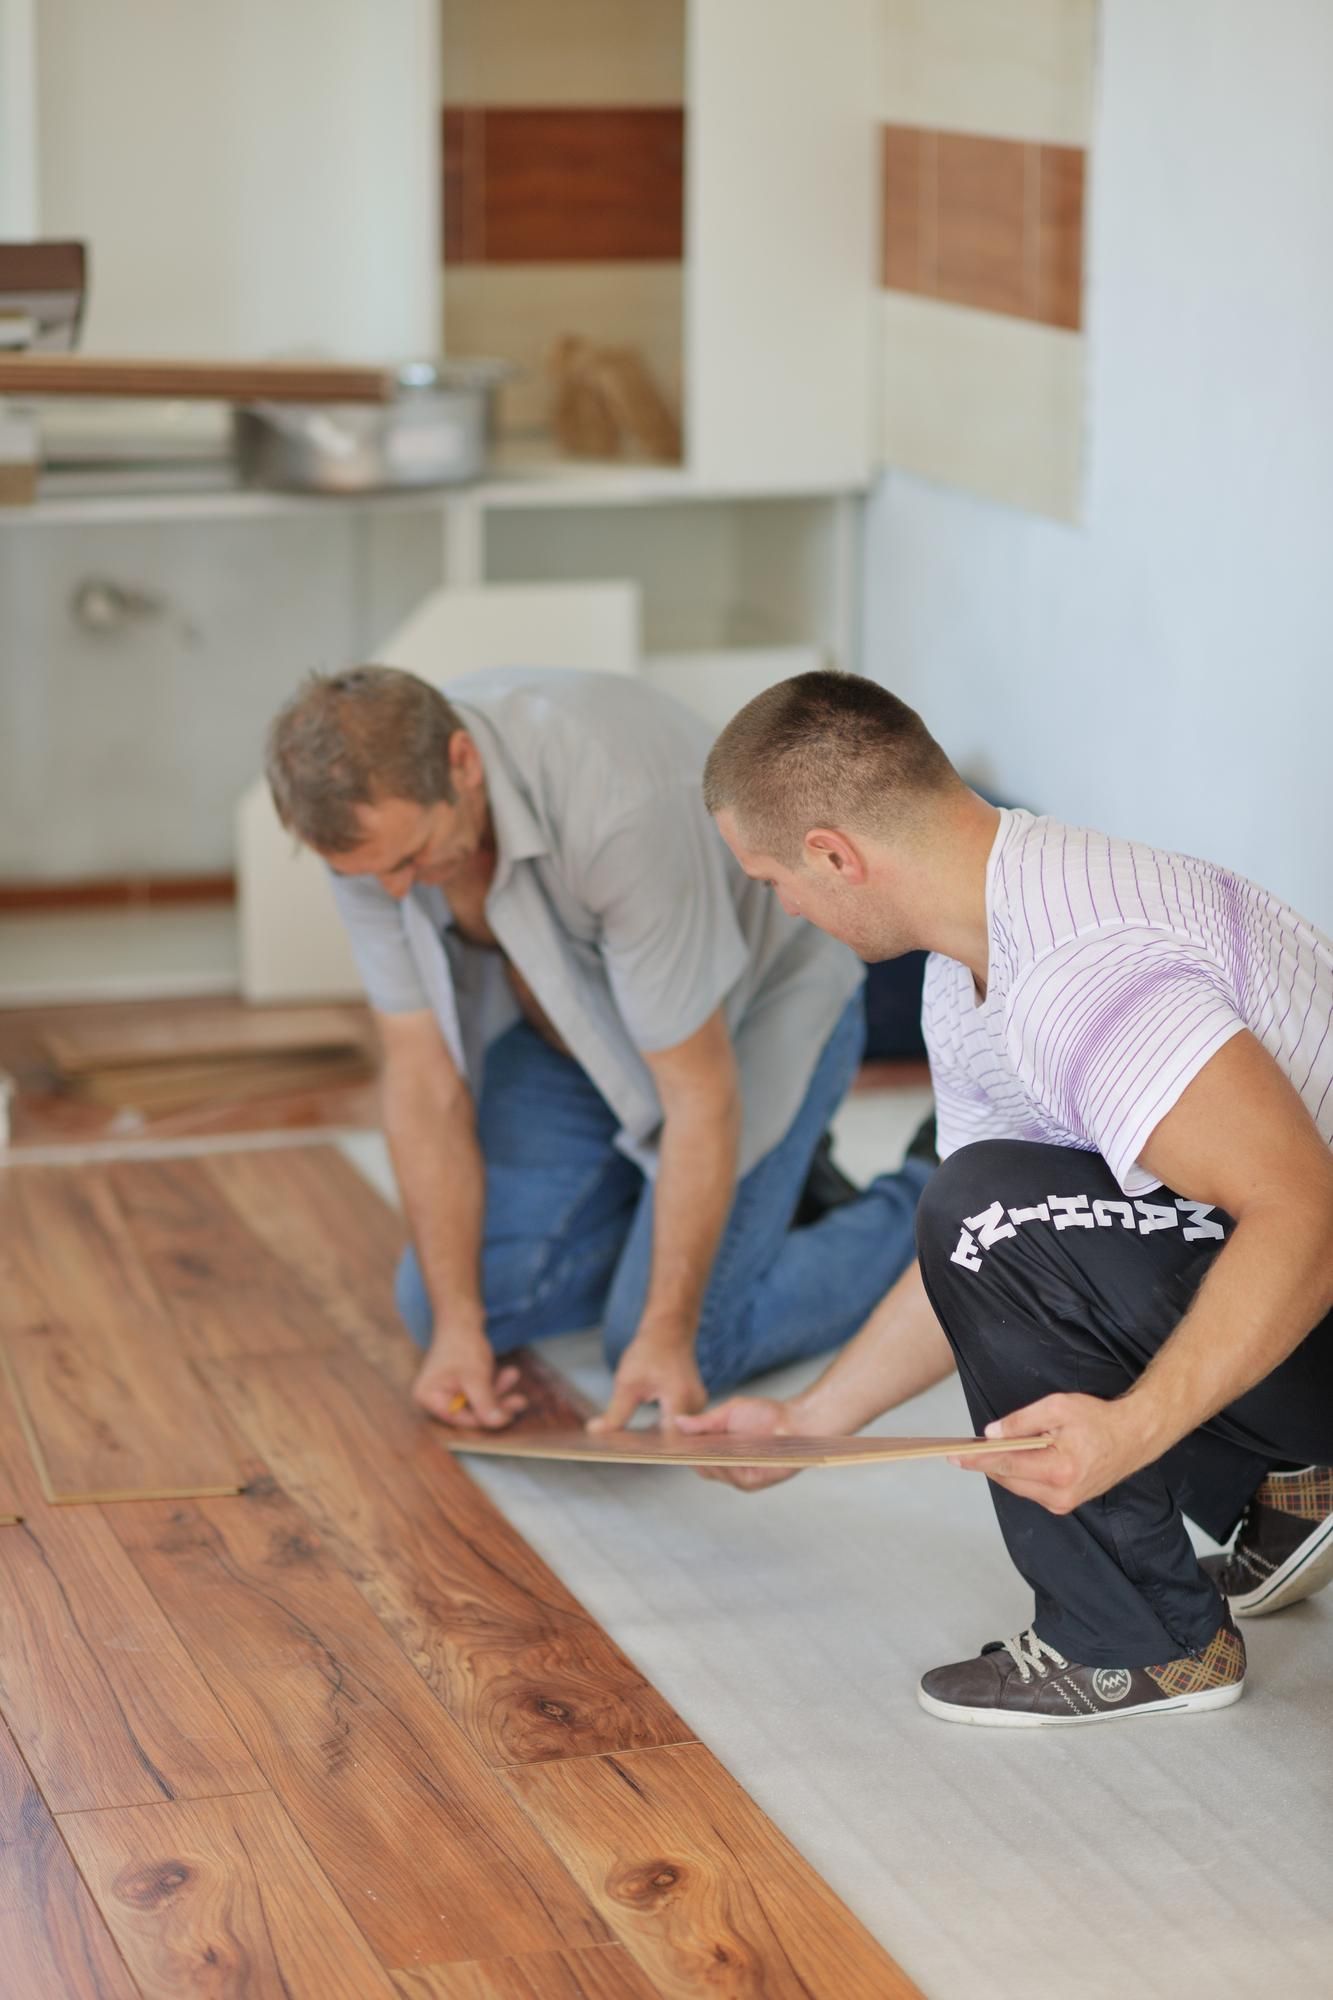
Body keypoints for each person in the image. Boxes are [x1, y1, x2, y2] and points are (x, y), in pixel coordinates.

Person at [682, 669, 1333, 1728]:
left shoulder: (1080, 966)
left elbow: (1305, 1212)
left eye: (771, 880)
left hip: (1318, 1264)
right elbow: (985, 1254)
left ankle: (1138, 1641)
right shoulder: (975, 948)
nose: (784, 906)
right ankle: (1288, 1481)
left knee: (984, 1201)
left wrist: (1127, 1432)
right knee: (981, 1202)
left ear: (833, 854)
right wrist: (811, 1423)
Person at [265, 665, 931, 1433]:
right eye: (367, 875)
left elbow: (699, 1096)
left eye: (409, 861)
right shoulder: (372, 839)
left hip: (750, 1024)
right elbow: (422, 1081)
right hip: (571, 1041)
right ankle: (761, 1193)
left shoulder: (616, 803)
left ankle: (927, 1197)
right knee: (436, 1306)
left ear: (462, 764)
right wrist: (458, 1328)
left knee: (679, 1347)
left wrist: (663, 1330)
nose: (391, 893)